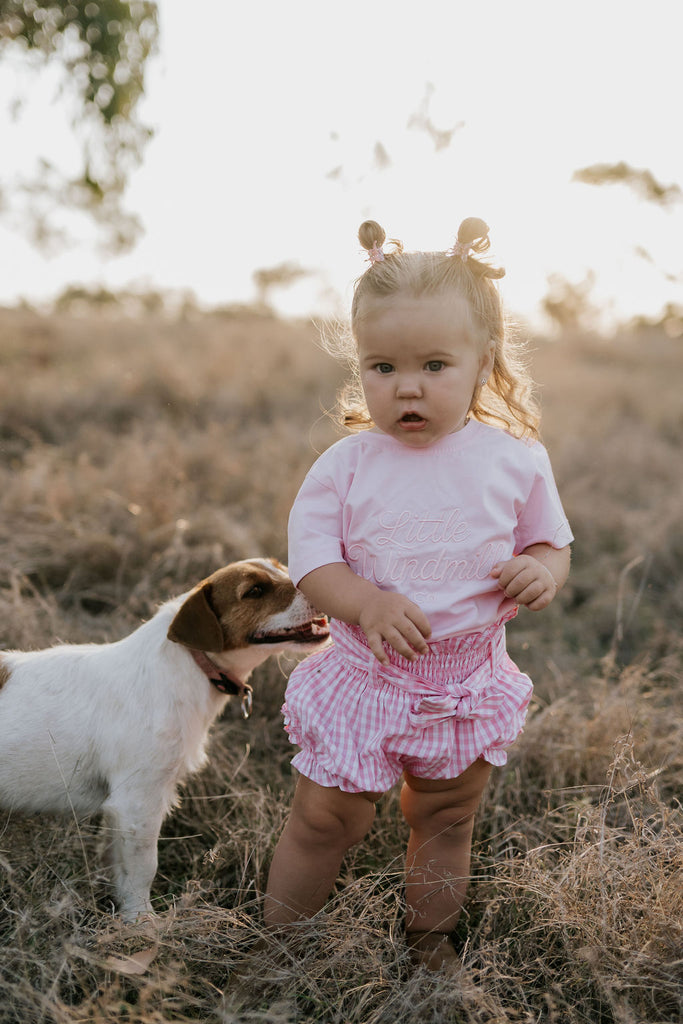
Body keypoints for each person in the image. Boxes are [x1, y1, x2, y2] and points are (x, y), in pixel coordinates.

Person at [264, 217, 572, 971]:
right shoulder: (345, 467)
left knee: (444, 817)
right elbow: (312, 566)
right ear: (359, 368)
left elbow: (549, 541)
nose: (406, 386)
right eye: (381, 367)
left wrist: (540, 571)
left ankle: (429, 938)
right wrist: (364, 603)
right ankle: (276, 947)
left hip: (464, 682)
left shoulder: (515, 460)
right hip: (365, 675)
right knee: (322, 819)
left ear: (483, 362)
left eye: (435, 364)